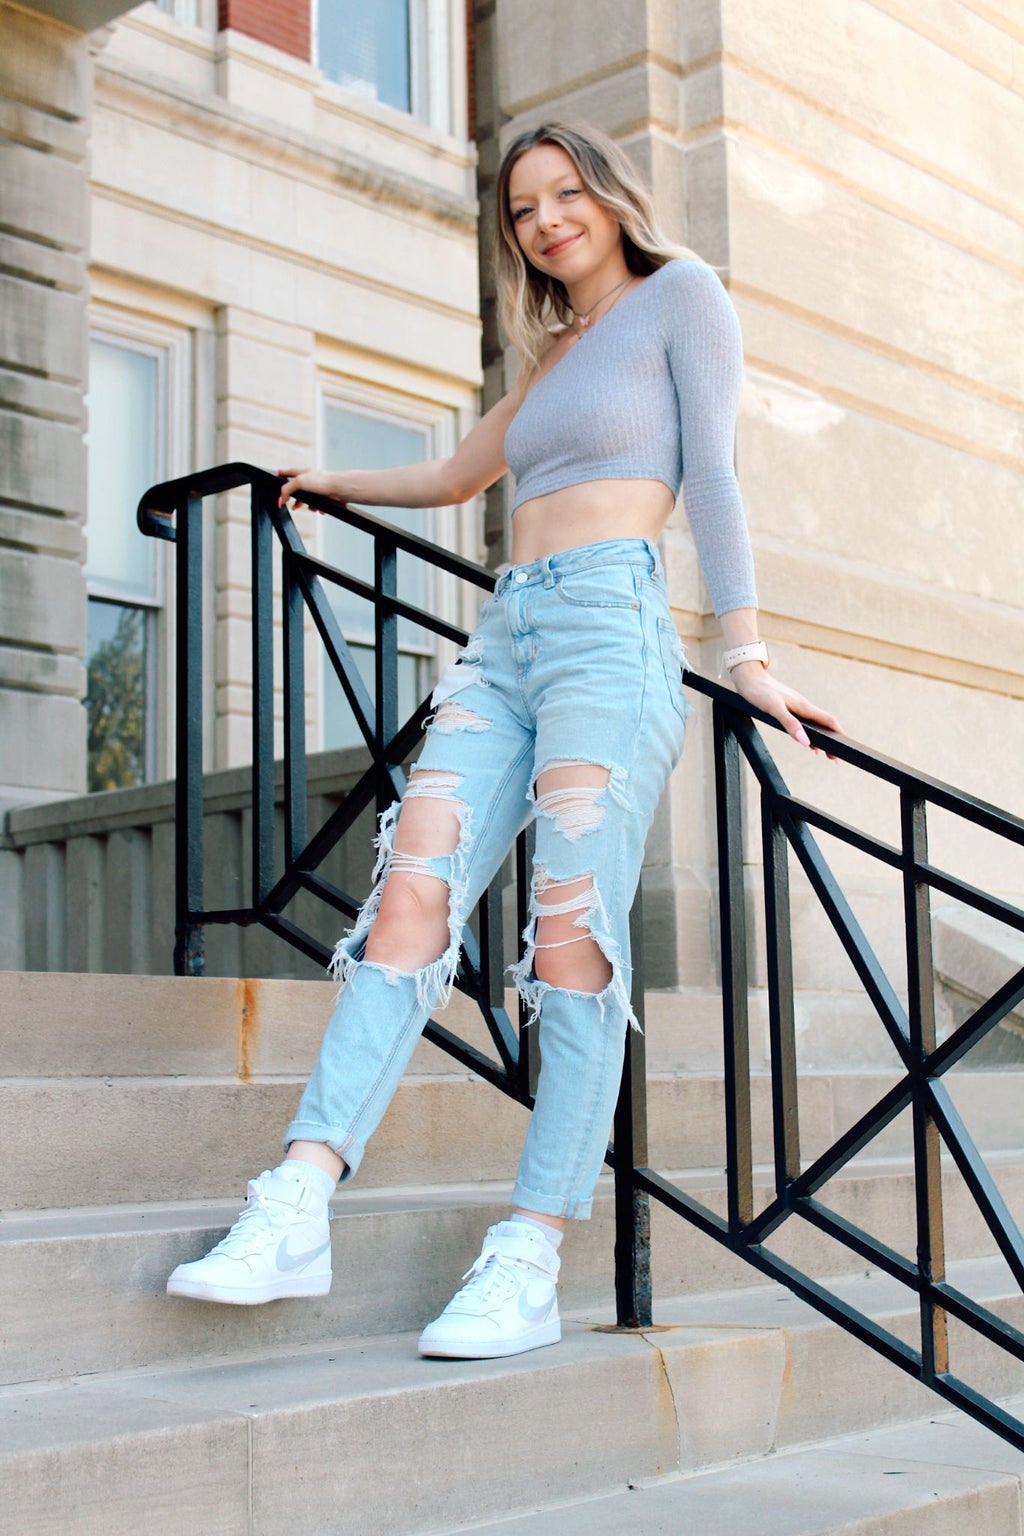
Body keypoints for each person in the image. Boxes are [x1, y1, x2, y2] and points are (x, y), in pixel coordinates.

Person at [167, 120, 838, 1359]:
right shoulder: (547, 354)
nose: (545, 221)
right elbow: (460, 476)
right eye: (522, 209)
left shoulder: (682, 296)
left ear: (607, 196)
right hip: (507, 638)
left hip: (608, 631)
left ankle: (529, 1253)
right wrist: (326, 484)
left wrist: (745, 654)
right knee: (411, 887)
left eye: (563, 193)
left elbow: (717, 477)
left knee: (569, 932)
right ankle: (301, 1196)